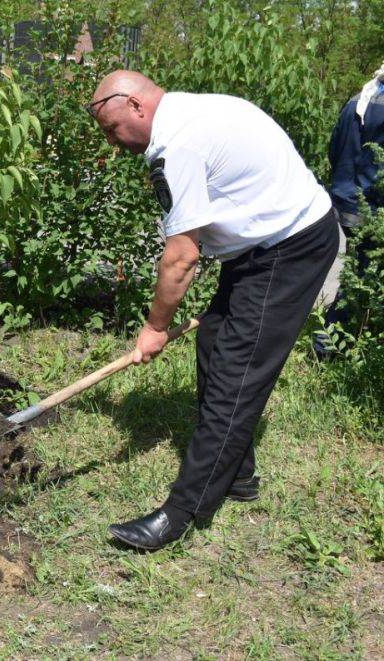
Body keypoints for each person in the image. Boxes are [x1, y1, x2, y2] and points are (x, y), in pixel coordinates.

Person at [86, 71, 339, 550]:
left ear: (136, 107)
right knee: (213, 340)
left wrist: (154, 327)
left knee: (235, 375)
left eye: (112, 129)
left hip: (288, 247)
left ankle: (181, 512)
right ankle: (237, 475)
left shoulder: (178, 144)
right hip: (260, 244)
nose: (113, 142)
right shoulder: (188, 111)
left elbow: (182, 256)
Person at [315, 63, 384, 357]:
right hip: (373, 208)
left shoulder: (357, 100)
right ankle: (329, 346)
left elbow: (334, 150)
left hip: (346, 201)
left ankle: (347, 339)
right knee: (364, 276)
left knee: (360, 272)